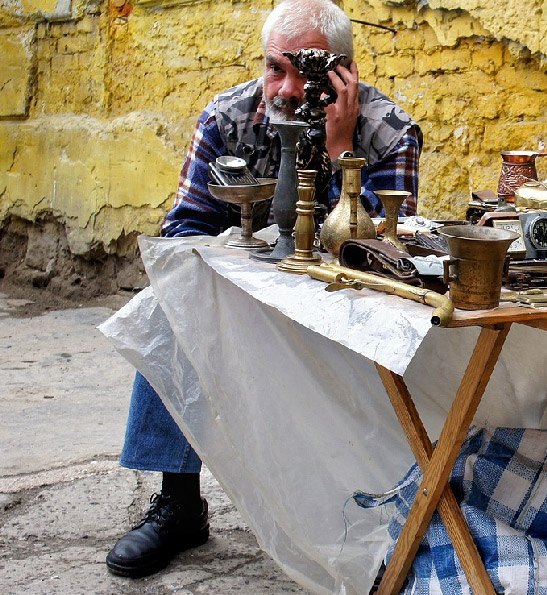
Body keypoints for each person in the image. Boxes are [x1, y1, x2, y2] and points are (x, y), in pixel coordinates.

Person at [105, 0, 421, 578]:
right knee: (169, 304)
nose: (290, 89)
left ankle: (375, 502)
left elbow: (387, 251)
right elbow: (183, 231)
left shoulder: (388, 131)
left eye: (311, 73)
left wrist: (338, 149)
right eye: (278, 69)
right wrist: (241, 262)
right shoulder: (226, 118)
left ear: (345, 72)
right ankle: (178, 503)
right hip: (247, 294)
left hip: (340, 306)